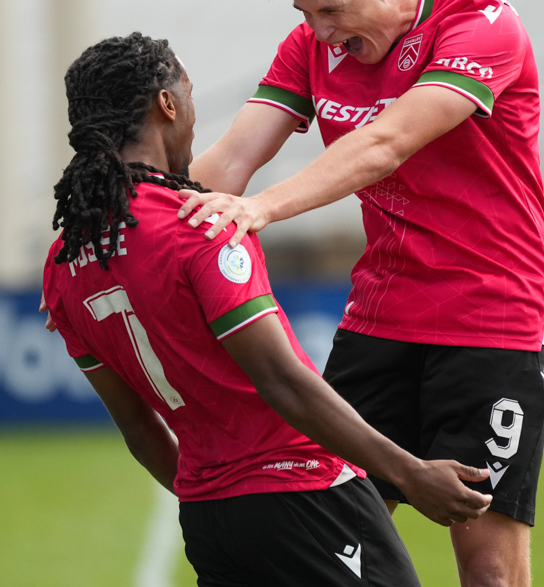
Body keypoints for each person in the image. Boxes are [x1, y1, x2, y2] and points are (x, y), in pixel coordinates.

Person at [176, 0, 544, 587]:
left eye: (330, 10)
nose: (321, 32)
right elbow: (226, 163)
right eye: (305, 14)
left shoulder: (482, 23)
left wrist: (259, 209)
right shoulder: (313, 46)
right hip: (379, 320)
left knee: (489, 569)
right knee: (326, 539)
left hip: (492, 319)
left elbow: (385, 143)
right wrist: (118, 233)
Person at [42, 32, 492, 587]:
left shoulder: (63, 264)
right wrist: (411, 473)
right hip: (305, 494)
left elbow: (138, 427)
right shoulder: (202, 223)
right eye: (189, 97)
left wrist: (212, 499)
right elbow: (283, 380)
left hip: (208, 520)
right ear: (166, 105)